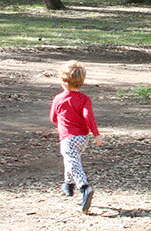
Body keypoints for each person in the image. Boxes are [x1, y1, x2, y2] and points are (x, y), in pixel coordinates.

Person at [49, 60, 102, 214]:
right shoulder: (85, 99)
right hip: (83, 138)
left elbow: (53, 118)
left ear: (63, 82)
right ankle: (68, 184)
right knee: (71, 158)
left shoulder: (58, 99)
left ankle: (84, 187)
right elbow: (88, 117)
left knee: (72, 162)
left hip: (68, 137)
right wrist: (96, 135)